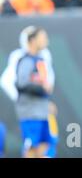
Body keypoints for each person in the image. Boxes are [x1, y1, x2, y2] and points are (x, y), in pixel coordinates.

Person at [0, 26, 58, 158]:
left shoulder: (41, 60)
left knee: (44, 145)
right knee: (32, 146)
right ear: (32, 40)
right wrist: (40, 88)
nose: (45, 40)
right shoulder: (26, 60)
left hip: (42, 110)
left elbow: (44, 84)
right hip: (30, 112)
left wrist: (47, 101)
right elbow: (21, 83)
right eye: (42, 37)